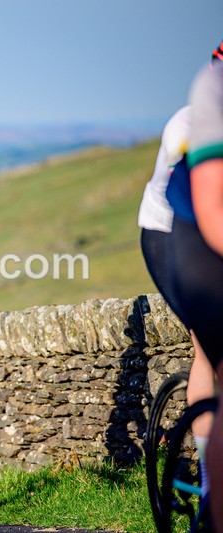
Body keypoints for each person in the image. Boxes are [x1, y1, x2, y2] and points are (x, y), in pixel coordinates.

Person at [140, 105, 216, 495]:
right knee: (210, 346)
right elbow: (200, 206)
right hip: (171, 232)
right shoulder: (190, 124)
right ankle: (210, 475)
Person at [167, 52, 223, 530]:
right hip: (190, 232)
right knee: (210, 354)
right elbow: (213, 213)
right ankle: (214, 495)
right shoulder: (212, 92)